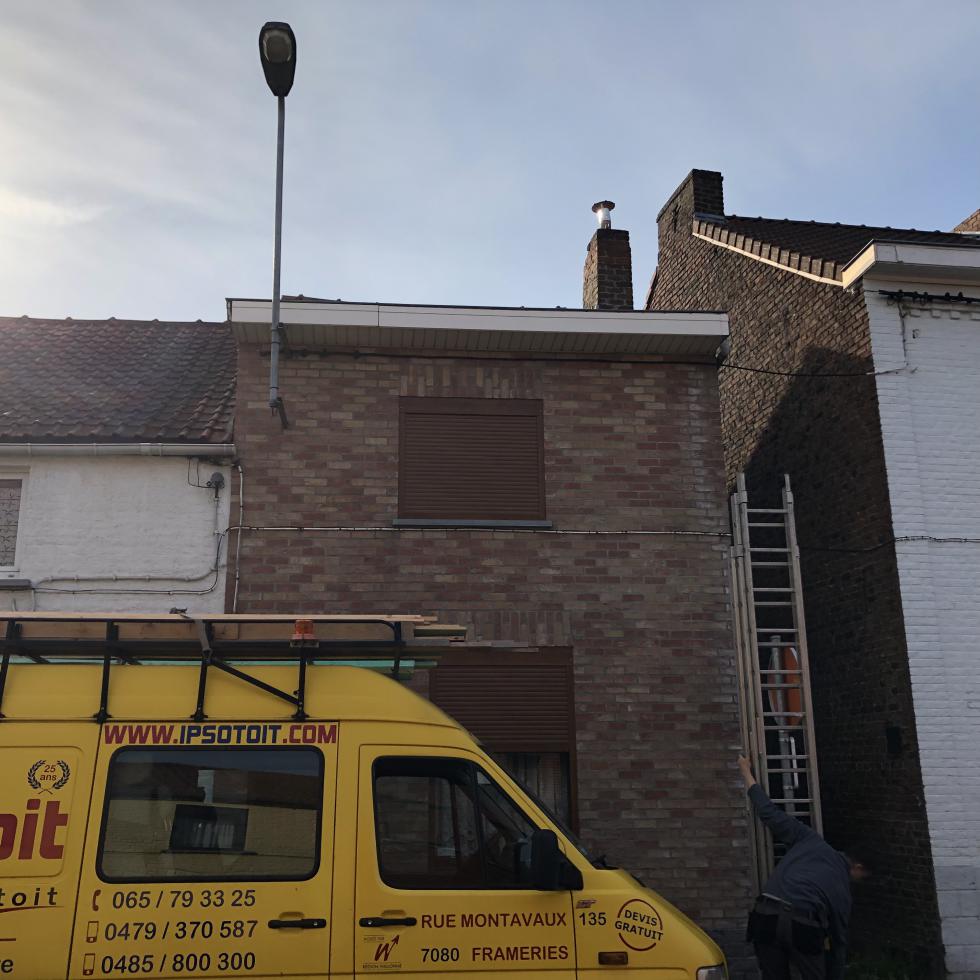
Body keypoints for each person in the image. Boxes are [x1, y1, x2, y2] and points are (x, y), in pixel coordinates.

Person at [738, 754, 873, 980]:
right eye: (862, 876)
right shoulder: (842, 889)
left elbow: (770, 813)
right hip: (802, 923)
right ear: (857, 866)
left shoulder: (808, 838)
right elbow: (839, 944)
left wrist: (745, 771)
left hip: (765, 915)